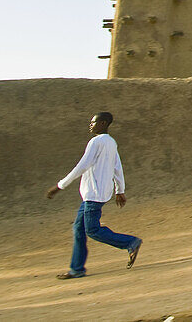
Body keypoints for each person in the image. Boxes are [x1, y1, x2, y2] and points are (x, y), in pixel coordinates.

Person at [46, 112, 142, 279]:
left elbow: (82, 166)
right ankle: (77, 269)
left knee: (92, 230)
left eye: (94, 122)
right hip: (97, 194)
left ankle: (130, 242)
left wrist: (59, 186)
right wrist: (120, 190)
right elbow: (117, 166)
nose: (90, 125)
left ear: (103, 123)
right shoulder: (111, 142)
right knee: (78, 229)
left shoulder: (96, 142)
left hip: (93, 195)